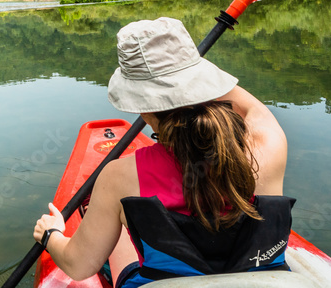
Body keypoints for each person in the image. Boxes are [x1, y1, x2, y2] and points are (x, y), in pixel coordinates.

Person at [33, 17, 292, 287]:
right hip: (257, 276)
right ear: (205, 82)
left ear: (141, 107)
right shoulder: (267, 142)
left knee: (122, 221)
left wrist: (51, 234)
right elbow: (249, 105)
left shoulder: (119, 178)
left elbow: (79, 266)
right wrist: (189, 71)